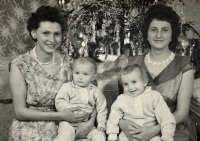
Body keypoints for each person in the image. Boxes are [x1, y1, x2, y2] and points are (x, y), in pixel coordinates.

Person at [103, 4, 197, 141]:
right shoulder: (129, 63)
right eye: (154, 30)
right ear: (147, 33)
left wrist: (154, 130)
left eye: (165, 30)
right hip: (131, 130)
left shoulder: (184, 67)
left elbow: (182, 113)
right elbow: (120, 103)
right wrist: (122, 124)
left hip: (169, 130)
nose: (158, 35)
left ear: (173, 34)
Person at [8, 6, 96, 141]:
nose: (52, 39)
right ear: (34, 34)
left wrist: (90, 123)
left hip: (67, 126)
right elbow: (20, 112)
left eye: (57, 34)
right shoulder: (20, 65)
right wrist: (61, 116)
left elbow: (92, 94)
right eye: (46, 33)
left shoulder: (69, 62)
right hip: (31, 128)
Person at [107, 64, 176, 141]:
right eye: (126, 84)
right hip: (128, 134)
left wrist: (167, 136)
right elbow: (113, 116)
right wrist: (112, 134)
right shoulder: (121, 99)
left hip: (150, 133)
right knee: (122, 138)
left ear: (144, 82)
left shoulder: (154, 96)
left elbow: (165, 117)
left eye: (134, 82)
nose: (130, 87)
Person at [55, 57, 107, 141]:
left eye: (85, 74)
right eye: (77, 73)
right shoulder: (67, 87)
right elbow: (59, 102)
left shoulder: (96, 91)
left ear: (93, 77)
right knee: (65, 136)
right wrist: (72, 108)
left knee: (100, 136)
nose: (80, 77)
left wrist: (101, 123)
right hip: (68, 123)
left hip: (87, 123)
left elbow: (102, 108)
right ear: (72, 73)